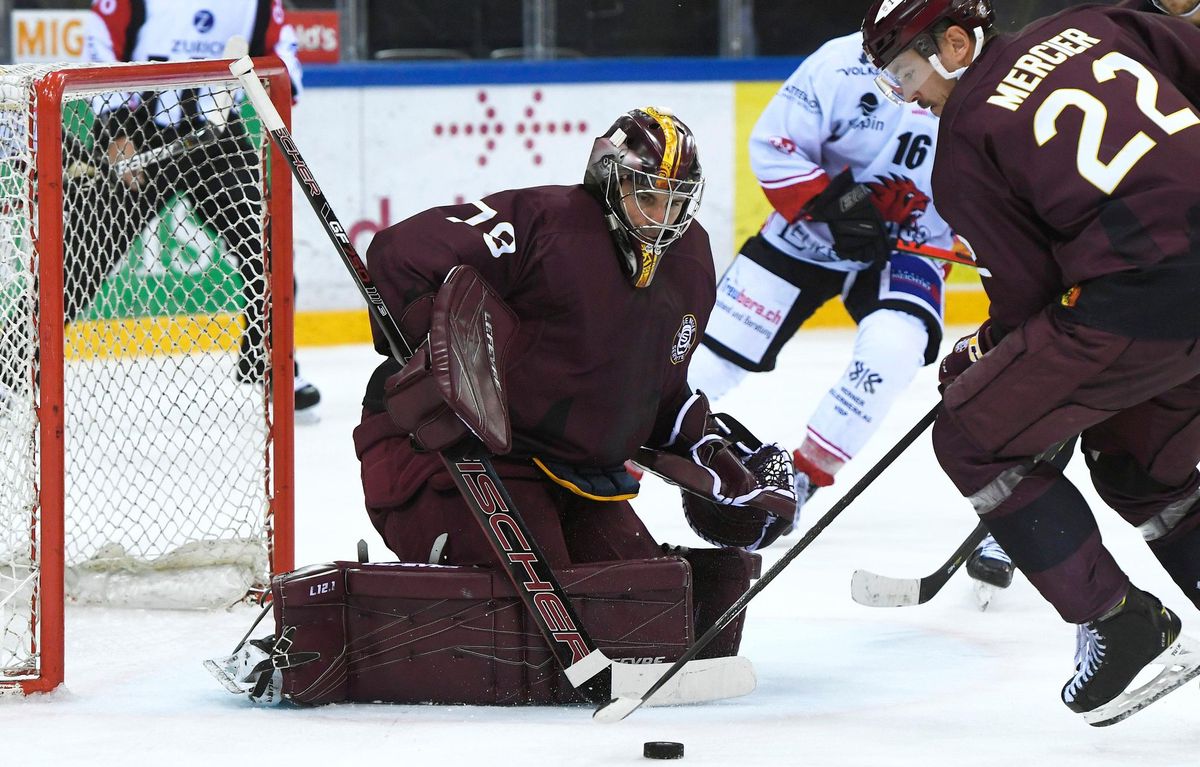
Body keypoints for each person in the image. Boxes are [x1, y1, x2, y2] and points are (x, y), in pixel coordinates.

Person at [210, 107, 798, 706]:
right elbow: (396, 253)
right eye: (647, 195)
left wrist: (714, 458)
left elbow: (659, 392)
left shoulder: (691, 261)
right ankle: (331, 630)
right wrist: (442, 359)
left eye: (676, 201)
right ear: (607, 178)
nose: (663, 216)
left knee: (640, 600)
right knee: (532, 607)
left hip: (574, 476)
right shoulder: (544, 222)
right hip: (439, 450)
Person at [861, 0, 1200, 726]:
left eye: (909, 72)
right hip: (1172, 289)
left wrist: (982, 359)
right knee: (1140, 463)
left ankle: (1120, 621)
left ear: (956, 41)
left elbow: (1029, 299)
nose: (910, 95)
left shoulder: (965, 141)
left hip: (1139, 302)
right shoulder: (1094, 22)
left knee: (969, 435)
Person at [684, 29, 1014, 595]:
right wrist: (841, 208)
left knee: (892, 351)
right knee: (703, 369)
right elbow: (774, 144)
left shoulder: (997, 83)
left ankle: (805, 477)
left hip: (911, 245)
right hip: (807, 229)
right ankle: (616, 464)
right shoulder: (841, 62)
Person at [83, 0, 321, 416]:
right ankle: (11, 371)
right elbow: (98, 45)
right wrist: (115, 130)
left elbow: (284, 60)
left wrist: (274, 84)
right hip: (139, 136)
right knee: (79, 259)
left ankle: (271, 362)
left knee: (268, 249)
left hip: (217, 138)